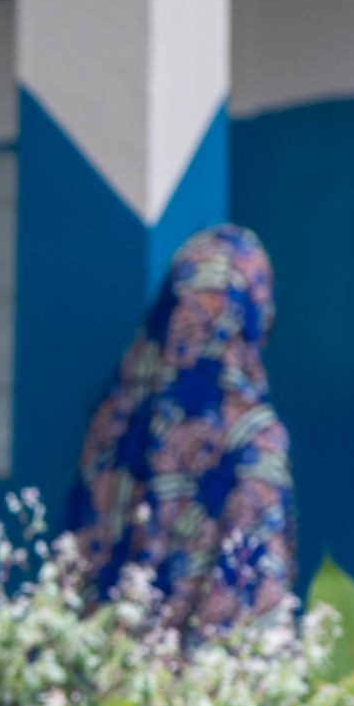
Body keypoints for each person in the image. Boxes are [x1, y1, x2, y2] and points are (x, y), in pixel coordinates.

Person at [66, 224, 295, 630]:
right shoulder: (254, 440)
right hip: (199, 686)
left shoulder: (116, 417)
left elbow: (76, 566)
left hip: (99, 670)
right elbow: (259, 602)